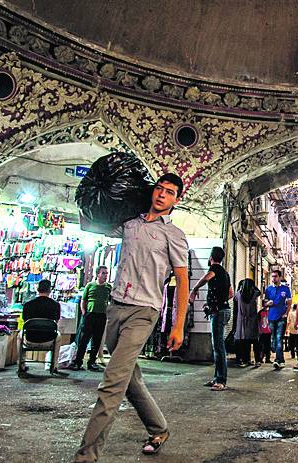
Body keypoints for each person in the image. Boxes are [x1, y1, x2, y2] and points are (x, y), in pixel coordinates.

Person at [75, 173, 189, 462]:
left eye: (170, 192)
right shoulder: (129, 223)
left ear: (176, 200)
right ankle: (159, 428)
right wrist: (91, 196)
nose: (162, 194)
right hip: (116, 308)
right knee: (129, 378)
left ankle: (87, 455)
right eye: (159, 189)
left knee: (112, 383)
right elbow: (91, 223)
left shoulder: (173, 235)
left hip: (144, 311)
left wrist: (178, 326)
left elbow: (182, 281)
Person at [190, 246, 233, 391]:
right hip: (224, 310)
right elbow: (230, 294)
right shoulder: (225, 273)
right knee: (217, 346)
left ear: (211, 257)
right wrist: (214, 302)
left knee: (219, 347)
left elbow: (205, 279)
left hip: (219, 312)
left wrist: (194, 289)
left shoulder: (215, 270)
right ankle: (216, 378)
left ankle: (221, 381)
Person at [69, 266, 111, 371]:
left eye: (106, 273)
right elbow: (83, 300)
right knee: (84, 339)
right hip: (89, 315)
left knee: (96, 340)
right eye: (103, 273)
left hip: (101, 316)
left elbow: (111, 301)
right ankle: (78, 361)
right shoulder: (90, 285)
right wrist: (84, 312)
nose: (105, 275)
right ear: (98, 274)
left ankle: (92, 362)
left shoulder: (108, 287)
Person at [19, 279, 62, 374]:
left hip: (30, 339)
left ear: (38, 290)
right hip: (49, 340)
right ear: (49, 290)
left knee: (20, 334)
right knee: (58, 335)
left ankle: (21, 364)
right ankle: (53, 365)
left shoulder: (28, 305)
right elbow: (56, 322)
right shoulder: (56, 305)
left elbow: (25, 322)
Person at [263, 270, 292, 369]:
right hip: (271, 317)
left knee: (279, 338)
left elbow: (289, 303)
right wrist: (268, 304)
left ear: (280, 277)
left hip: (281, 317)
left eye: (275, 276)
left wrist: (286, 314)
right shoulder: (268, 289)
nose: (273, 278)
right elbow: (265, 303)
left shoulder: (286, 289)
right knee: (273, 339)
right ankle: (281, 359)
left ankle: (278, 360)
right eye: (272, 276)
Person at [233, 278, 262, 367]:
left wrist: (241, 288)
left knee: (245, 341)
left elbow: (234, 300)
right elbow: (259, 291)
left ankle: (245, 360)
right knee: (255, 341)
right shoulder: (254, 294)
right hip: (252, 320)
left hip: (241, 321)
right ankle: (257, 361)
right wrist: (253, 286)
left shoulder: (238, 294)